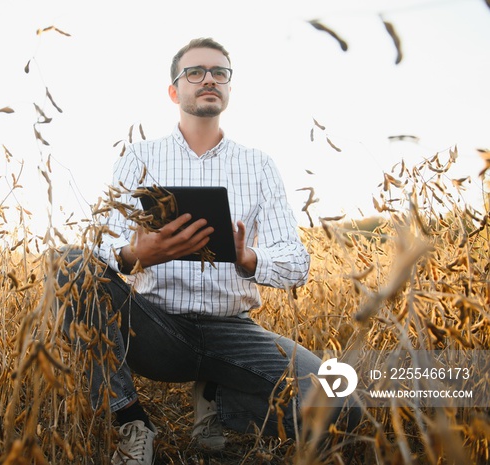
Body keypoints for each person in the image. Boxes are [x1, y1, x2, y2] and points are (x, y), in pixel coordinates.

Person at [59, 37, 330, 465]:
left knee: (341, 405)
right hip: (154, 328)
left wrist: (250, 259)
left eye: (219, 72)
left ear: (228, 88)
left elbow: (297, 264)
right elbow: (98, 242)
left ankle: (219, 401)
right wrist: (137, 254)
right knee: (66, 262)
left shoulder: (258, 164)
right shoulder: (140, 156)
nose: (208, 79)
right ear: (174, 90)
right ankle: (130, 420)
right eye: (195, 72)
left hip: (233, 330)